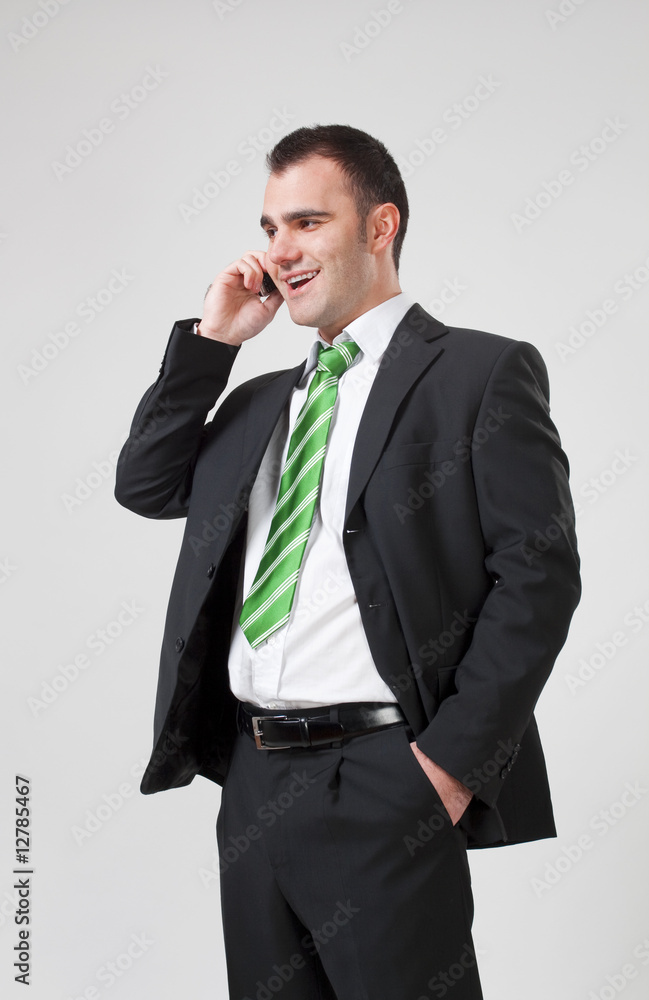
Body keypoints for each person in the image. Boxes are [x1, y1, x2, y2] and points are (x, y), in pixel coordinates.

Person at [115, 124, 581, 1000]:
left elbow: (538, 577)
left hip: (385, 776)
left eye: (306, 222)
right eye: (268, 228)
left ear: (379, 225)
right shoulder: (258, 404)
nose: (279, 251)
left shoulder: (478, 373)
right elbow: (145, 484)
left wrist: (447, 768)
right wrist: (214, 343)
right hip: (253, 779)